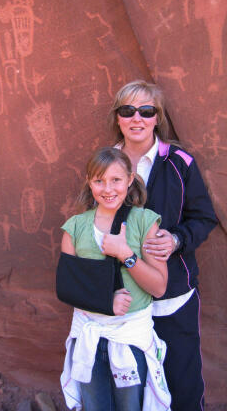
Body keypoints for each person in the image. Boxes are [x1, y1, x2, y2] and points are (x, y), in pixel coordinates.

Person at [106, 80, 218, 411]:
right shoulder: (106, 164)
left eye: (146, 110)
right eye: (127, 111)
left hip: (173, 298)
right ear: (118, 118)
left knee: (181, 386)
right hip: (123, 300)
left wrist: (177, 239)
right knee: (131, 391)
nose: (136, 118)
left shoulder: (181, 162)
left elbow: (204, 217)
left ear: (158, 117)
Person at [59, 147, 171, 411]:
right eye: (99, 181)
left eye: (116, 180)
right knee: (95, 406)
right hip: (89, 339)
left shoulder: (145, 222)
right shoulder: (74, 227)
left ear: (130, 180)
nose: (107, 188)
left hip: (129, 339)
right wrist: (104, 301)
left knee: (130, 406)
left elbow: (159, 286)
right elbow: (67, 286)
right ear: (89, 182)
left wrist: (125, 254)